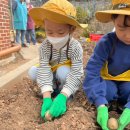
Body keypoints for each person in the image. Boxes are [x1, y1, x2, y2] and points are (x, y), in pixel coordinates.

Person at [29, 0, 85, 121]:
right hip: (51, 73)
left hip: (66, 74)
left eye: (60, 32)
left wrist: (63, 96)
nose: (54, 37)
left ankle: (64, 94)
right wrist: (46, 97)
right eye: (49, 32)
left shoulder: (75, 47)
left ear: (72, 29)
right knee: (33, 71)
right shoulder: (45, 46)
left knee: (63, 71)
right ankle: (52, 90)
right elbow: (44, 68)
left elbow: (76, 73)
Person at [83, 0, 130, 130]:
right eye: (122, 28)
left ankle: (123, 106)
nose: (128, 35)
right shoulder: (106, 43)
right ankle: (110, 103)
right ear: (113, 21)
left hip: (128, 83)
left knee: (127, 90)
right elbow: (92, 72)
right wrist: (100, 103)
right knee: (108, 92)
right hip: (109, 80)